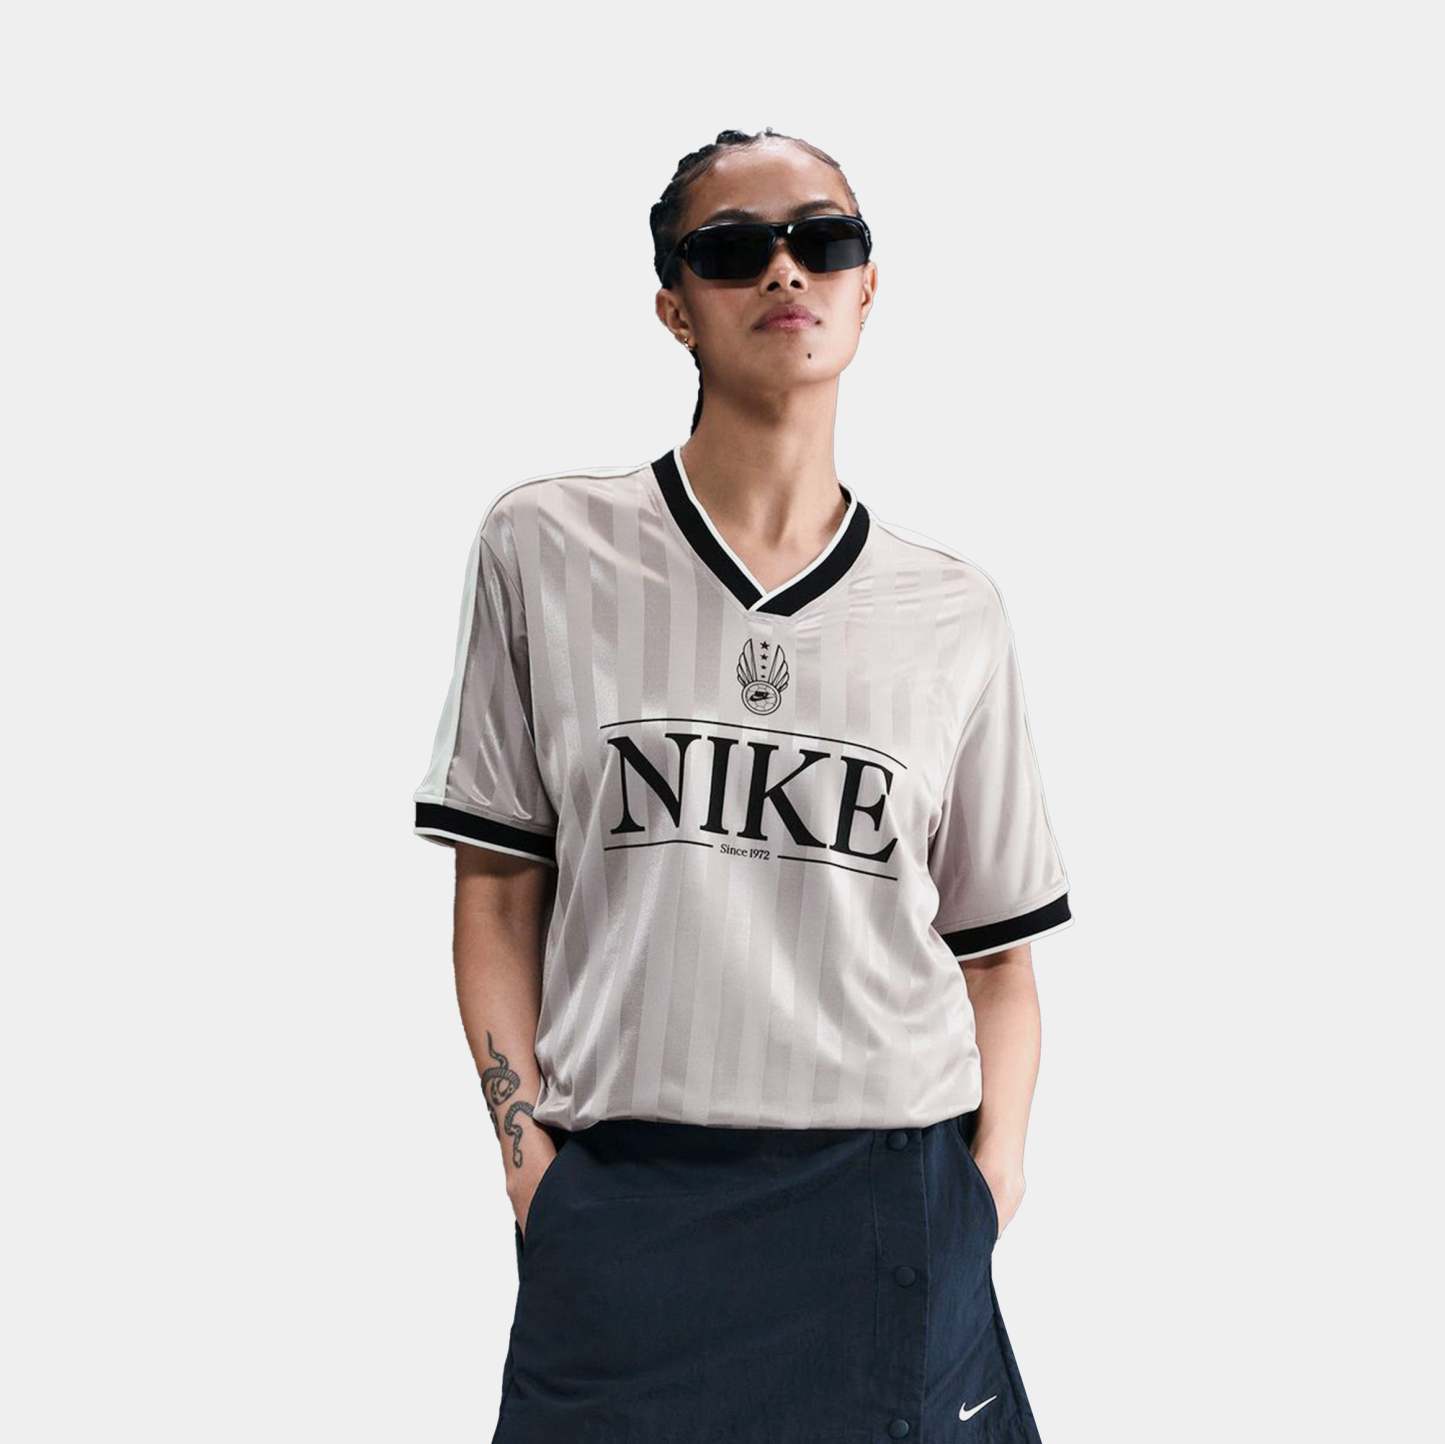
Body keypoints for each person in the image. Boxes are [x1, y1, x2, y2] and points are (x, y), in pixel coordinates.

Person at [411, 126, 1074, 1443]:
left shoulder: (951, 612)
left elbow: (996, 952)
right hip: (627, 1216)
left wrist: (985, 1183)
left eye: (823, 239)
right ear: (675, 306)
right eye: (732, 250)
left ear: (867, 286)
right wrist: (533, 1168)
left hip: (890, 1202)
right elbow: (497, 891)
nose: (785, 270)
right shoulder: (546, 548)